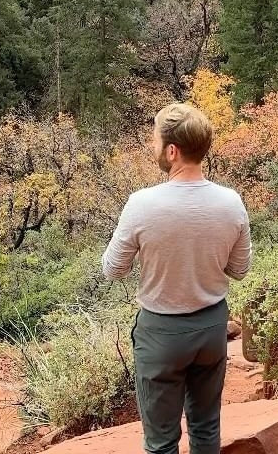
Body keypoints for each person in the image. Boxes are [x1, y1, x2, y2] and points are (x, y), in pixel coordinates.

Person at [102, 102, 252, 454]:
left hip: (161, 333)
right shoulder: (231, 202)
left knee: (161, 442)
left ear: (172, 151)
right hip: (212, 328)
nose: (154, 147)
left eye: (156, 142)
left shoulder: (141, 204)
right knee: (206, 430)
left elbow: (113, 269)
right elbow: (240, 270)